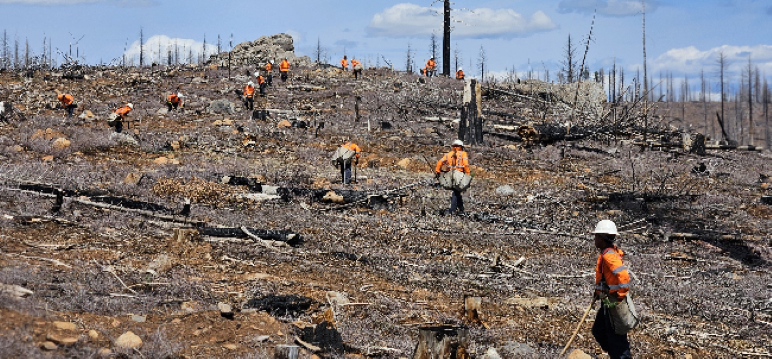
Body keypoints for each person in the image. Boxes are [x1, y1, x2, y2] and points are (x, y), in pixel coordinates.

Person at [591, 220, 633, 359]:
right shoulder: (607, 253)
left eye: (596, 236)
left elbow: (624, 276)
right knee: (599, 331)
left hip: (613, 302)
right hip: (607, 301)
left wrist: (619, 297)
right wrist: (597, 293)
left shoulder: (609, 256)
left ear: (603, 238)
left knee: (616, 338)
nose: (595, 239)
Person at [435, 139, 469, 215]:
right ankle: (452, 210)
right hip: (459, 175)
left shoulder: (448, 154)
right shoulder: (463, 154)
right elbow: (466, 165)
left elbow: (439, 163)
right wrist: (468, 175)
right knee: (456, 192)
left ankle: (461, 208)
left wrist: (438, 171)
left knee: (457, 192)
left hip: (450, 175)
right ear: (461, 146)